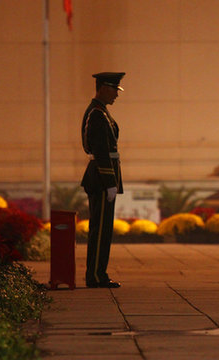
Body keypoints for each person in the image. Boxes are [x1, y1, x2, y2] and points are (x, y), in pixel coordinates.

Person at [81, 72, 125, 288]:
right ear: (102, 88)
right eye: (114, 89)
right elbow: (100, 151)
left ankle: (99, 273)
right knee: (100, 230)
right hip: (100, 178)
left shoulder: (101, 112)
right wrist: (109, 182)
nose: (117, 94)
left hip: (102, 176)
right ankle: (96, 276)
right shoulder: (97, 114)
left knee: (103, 229)